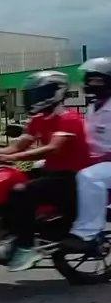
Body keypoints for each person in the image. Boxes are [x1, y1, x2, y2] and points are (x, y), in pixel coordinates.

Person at [0, 70, 90, 271]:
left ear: (55, 93)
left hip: (72, 178)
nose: (32, 98)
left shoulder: (69, 118)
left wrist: (13, 158)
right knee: (7, 182)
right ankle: (12, 234)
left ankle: (25, 247)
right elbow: (18, 145)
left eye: (37, 93)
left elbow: (53, 148)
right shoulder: (37, 119)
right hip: (51, 173)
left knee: (22, 191)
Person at [63, 58, 111, 251]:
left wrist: (101, 158)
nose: (91, 84)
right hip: (97, 161)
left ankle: (87, 233)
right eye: (89, 80)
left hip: (107, 162)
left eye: (97, 80)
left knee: (90, 177)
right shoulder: (93, 107)